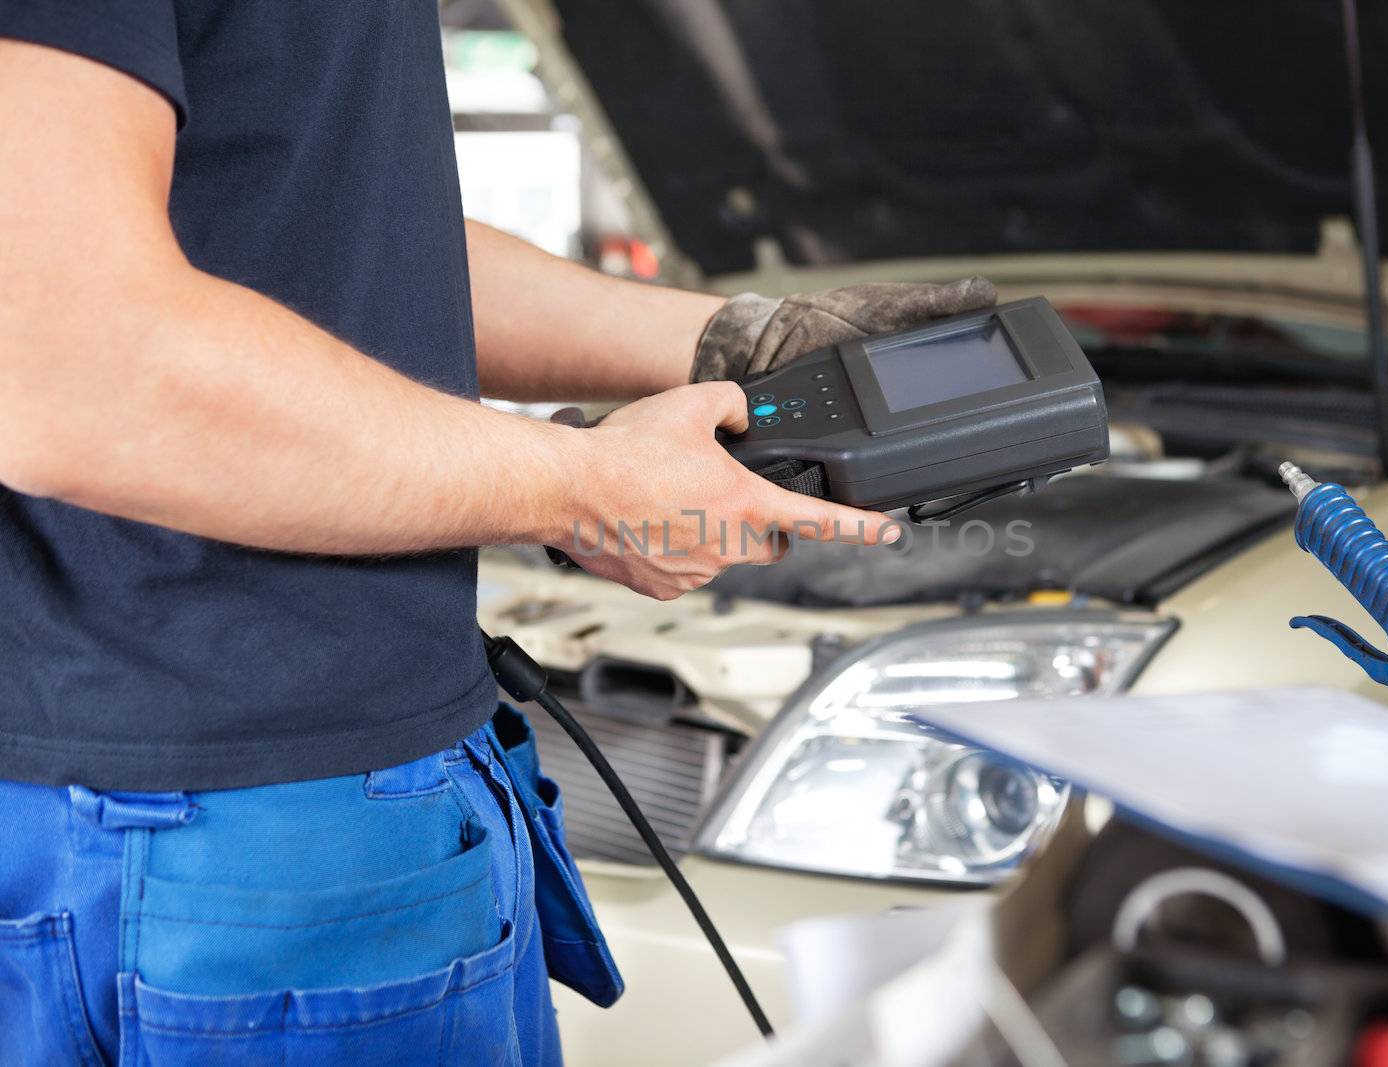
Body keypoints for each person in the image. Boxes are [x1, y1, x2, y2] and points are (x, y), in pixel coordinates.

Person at [0, 4, 994, 1063]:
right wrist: (579, 487)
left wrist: (731, 340)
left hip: (307, 796)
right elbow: (71, 363)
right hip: (234, 834)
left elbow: (346, 247)